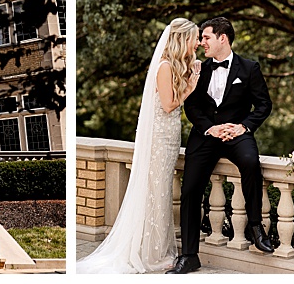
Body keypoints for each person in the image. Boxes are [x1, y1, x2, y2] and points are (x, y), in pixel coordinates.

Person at [76, 18, 201, 273]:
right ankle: (151, 254)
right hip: (159, 139)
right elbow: (168, 105)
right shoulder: (164, 66)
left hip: (170, 137)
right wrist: (190, 87)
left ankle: (157, 249)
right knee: (157, 195)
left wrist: (191, 72)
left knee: (162, 193)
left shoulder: (177, 65)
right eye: (195, 38)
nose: (198, 42)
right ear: (183, 39)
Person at [168, 17, 273, 274]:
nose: (201, 42)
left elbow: (264, 105)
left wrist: (243, 126)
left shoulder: (249, 68)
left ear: (222, 38)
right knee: (190, 188)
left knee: (250, 162)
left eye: (206, 37)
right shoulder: (197, 69)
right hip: (205, 135)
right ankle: (189, 256)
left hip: (237, 134)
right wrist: (210, 128)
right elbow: (191, 106)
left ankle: (256, 228)